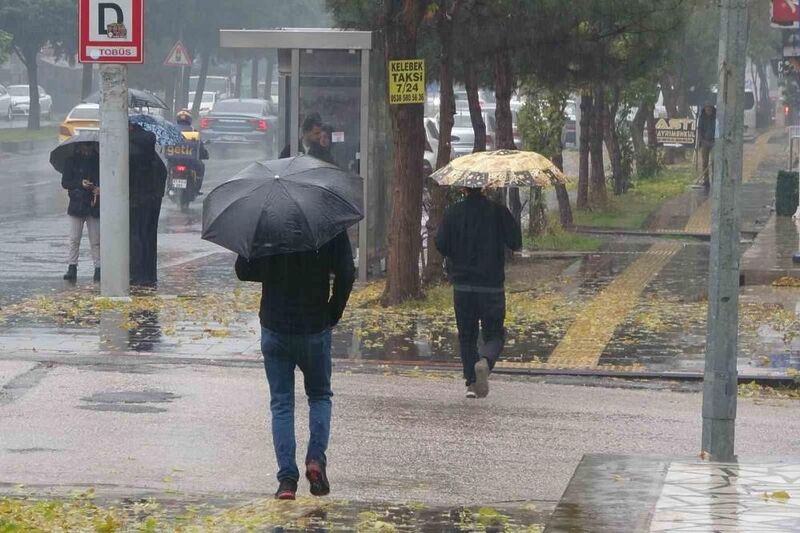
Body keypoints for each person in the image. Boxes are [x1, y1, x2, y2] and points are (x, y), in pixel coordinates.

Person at [235, 231, 355, 500]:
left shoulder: (269, 221)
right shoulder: (327, 222)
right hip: (314, 325)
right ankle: (315, 459)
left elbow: (244, 270)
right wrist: (332, 311)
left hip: (275, 326)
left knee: (281, 403)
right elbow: (347, 272)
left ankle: (287, 480)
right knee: (320, 395)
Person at [435, 187, 522, 399]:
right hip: (491, 286)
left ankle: (471, 384)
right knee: (495, 333)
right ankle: (485, 360)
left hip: (463, 286)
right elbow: (516, 243)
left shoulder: (452, 212)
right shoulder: (498, 211)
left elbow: (441, 244)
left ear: (464, 188)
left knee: (466, 335)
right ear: (485, 187)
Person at [129, 125, 168, 287]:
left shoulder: (131, 156)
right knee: (149, 238)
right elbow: (163, 175)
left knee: (135, 236)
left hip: (136, 203)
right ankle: (149, 274)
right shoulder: (154, 158)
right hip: (153, 203)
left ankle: (137, 273)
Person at [61, 142, 101, 282]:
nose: (86, 149)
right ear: (78, 147)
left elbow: (105, 178)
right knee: (74, 238)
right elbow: (65, 182)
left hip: (93, 204)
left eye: (89, 147)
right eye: (84, 147)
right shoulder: (70, 161)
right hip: (77, 203)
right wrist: (80, 183)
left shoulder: (99, 160)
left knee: (96, 240)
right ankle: (72, 267)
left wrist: (98, 188)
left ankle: (98, 268)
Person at [697, 102, 716, 188]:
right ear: (704, 108)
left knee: (714, 161)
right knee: (705, 162)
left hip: (715, 142)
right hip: (705, 142)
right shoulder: (702, 117)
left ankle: (715, 180)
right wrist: (702, 140)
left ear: (712, 108)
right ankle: (706, 180)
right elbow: (700, 130)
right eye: (706, 108)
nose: (708, 109)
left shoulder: (716, 116)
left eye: (709, 108)